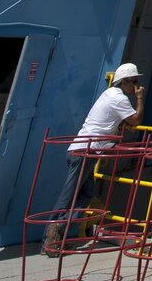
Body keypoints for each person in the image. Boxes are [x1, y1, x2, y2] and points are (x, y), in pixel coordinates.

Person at [44, 62, 145, 253]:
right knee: (68, 197)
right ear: (124, 82)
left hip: (82, 150)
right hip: (86, 152)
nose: (136, 85)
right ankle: (50, 241)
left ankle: (60, 230)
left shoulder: (108, 94)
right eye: (134, 81)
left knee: (86, 194)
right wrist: (140, 98)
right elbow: (136, 119)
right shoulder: (119, 99)